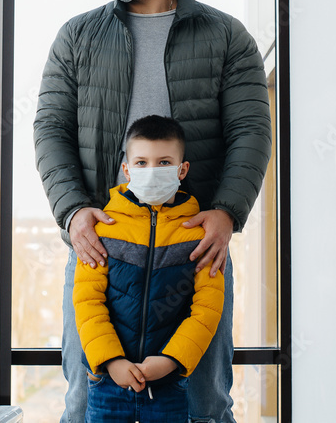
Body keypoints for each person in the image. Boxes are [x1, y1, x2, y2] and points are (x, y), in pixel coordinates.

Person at [34, 0, 271, 423]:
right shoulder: (77, 38)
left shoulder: (226, 37)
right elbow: (50, 130)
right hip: (101, 246)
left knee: (204, 402)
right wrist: (74, 213)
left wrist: (227, 211)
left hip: (195, 251)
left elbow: (251, 131)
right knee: (86, 399)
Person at [75, 115, 224, 423]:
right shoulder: (103, 230)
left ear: (182, 169)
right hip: (107, 382)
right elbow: (88, 302)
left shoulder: (199, 235)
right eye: (141, 163)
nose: (152, 171)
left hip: (169, 384)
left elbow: (207, 310)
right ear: (126, 170)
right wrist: (112, 361)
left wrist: (171, 360)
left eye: (164, 162)